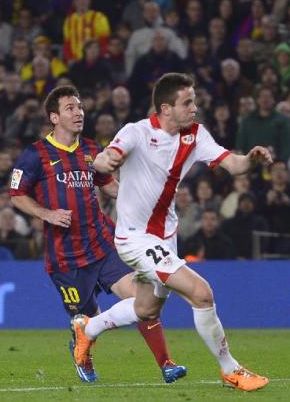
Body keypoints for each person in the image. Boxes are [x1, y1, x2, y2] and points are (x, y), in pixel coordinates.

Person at [81, 73, 271, 392]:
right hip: (134, 239)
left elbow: (234, 165)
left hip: (165, 237)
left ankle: (88, 329)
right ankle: (231, 370)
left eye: (194, 101)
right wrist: (106, 160)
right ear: (166, 108)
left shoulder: (195, 136)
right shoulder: (136, 133)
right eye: (188, 102)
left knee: (146, 309)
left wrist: (251, 160)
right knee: (201, 293)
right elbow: (103, 160)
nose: (194, 108)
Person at [10, 85, 186, 385]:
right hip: (65, 257)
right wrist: (47, 213)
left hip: (103, 243)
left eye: (80, 107)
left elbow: (110, 185)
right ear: (54, 117)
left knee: (142, 301)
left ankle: (167, 363)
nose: (78, 112)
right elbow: (16, 194)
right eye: (70, 108)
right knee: (86, 321)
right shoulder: (35, 154)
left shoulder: (92, 150)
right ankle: (83, 352)